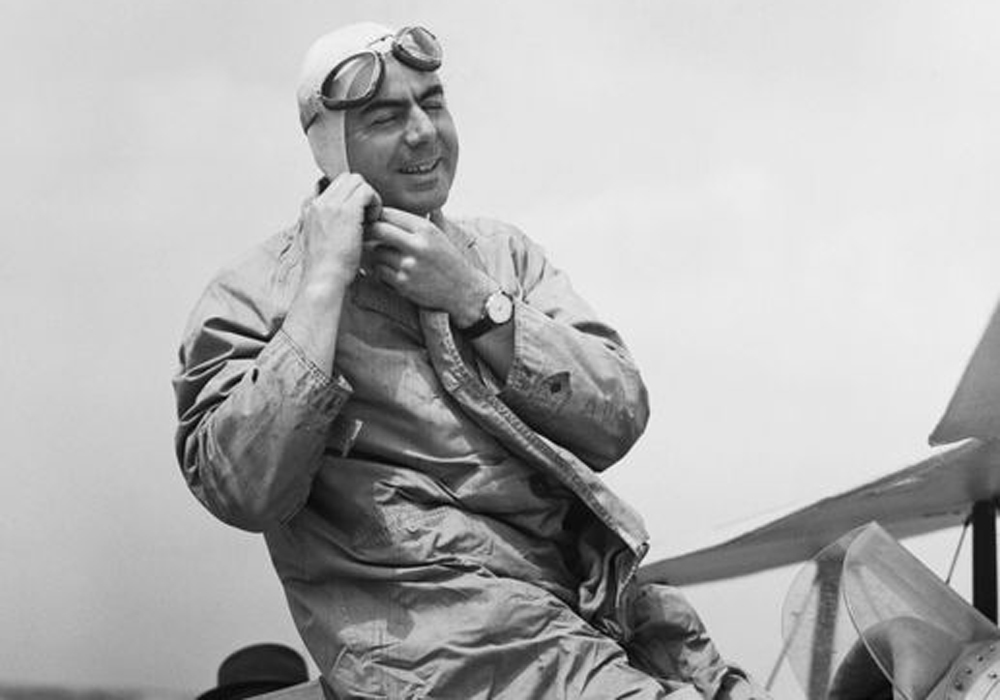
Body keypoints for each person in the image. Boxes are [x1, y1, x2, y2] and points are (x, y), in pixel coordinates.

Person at [173, 21, 770, 699]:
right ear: (333, 151)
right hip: (438, 647)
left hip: (593, 611)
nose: (425, 131)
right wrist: (323, 286)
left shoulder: (501, 258)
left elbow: (619, 417)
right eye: (386, 116)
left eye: (433, 102)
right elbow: (242, 489)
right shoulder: (252, 295)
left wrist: (476, 302)